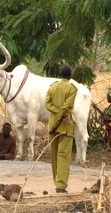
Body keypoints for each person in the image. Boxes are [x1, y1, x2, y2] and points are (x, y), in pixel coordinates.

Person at [45, 65, 77, 194]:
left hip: (52, 126)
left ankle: (56, 182)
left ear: (60, 74)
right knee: (63, 155)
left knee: (54, 156)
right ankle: (60, 185)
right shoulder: (72, 88)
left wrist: (55, 116)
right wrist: (60, 116)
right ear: (70, 75)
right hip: (65, 125)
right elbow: (66, 106)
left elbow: (47, 104)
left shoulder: (52, 87)